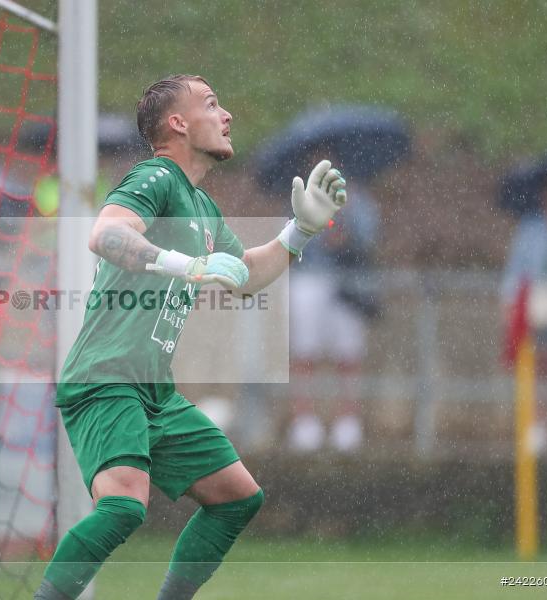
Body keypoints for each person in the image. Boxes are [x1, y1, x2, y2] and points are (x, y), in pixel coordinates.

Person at [33, 75, 348, 600]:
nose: (227, 115)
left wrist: (301, 232)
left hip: (153, 390)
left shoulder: (202, 207)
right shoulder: (155, 176)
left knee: (237, 497)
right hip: (107, 376)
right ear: (177, 123)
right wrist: (185, 264)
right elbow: (106, 234)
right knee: (124, 506)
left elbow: (244, 275)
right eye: (211, 104)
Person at [285, 150, 380, 453]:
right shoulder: (299, 196)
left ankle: (347, 422)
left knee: (347, 356)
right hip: (310, 279)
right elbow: (291, 240)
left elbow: (367, 238)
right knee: (305, 353)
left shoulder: (357, 200)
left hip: (347, 286)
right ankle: (305, 421)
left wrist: (346, 221)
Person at [501, 177, 547, 456]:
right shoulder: (530, 230)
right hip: (537, 305)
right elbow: (516, 269)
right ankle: (537, 426)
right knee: (537, 365)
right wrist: (509, 302)